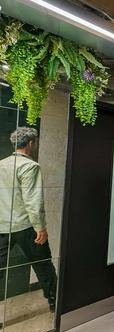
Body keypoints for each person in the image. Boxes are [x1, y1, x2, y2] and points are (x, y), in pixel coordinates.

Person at [0, 127, 58, 312]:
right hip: (26, 226)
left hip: (1, 225)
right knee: (43, 266)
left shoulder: (1, 165)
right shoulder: (30, 166)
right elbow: (33, 200)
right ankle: (54, 303)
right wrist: (40, 227)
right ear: (31, 143)